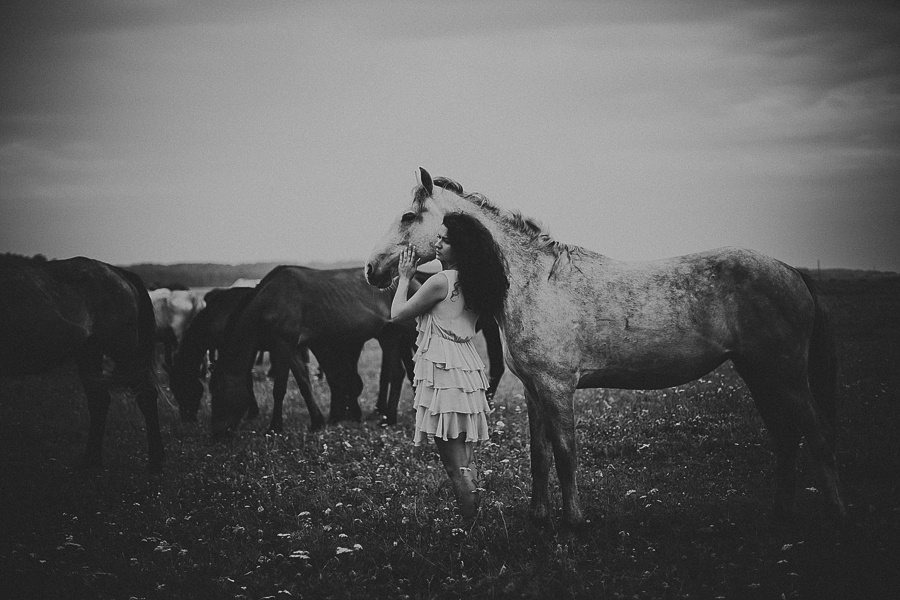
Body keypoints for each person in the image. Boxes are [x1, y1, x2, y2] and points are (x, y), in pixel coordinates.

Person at [391, 211, 508, 518]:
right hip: (467, 369)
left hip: (446, 374)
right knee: (466, 462)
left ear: (461, 248)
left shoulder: (440, 282)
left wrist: (405, 277)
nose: (437, 243)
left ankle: (470, 535)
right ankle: (475, 524)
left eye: (445, 240)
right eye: (439, 237)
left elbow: (397, 314)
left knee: (455, 468)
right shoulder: (475, 281)